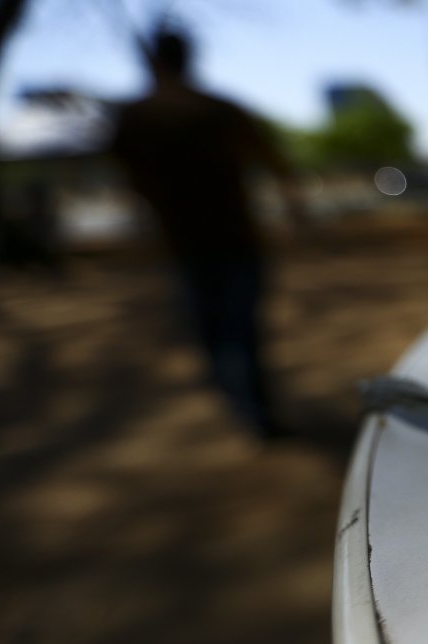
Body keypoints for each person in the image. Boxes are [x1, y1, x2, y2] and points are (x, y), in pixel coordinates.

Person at [108, 27, 301, 438]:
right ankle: (252, 408)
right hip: (235, 239)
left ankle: (242, 402)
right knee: (239, 330)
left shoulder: (135, 117)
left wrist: (144, 231)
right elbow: (275, 164)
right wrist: (295, 212)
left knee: (214, 329)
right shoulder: (218, 109)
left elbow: (130, 181)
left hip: (185, 244)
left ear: (152, 61)